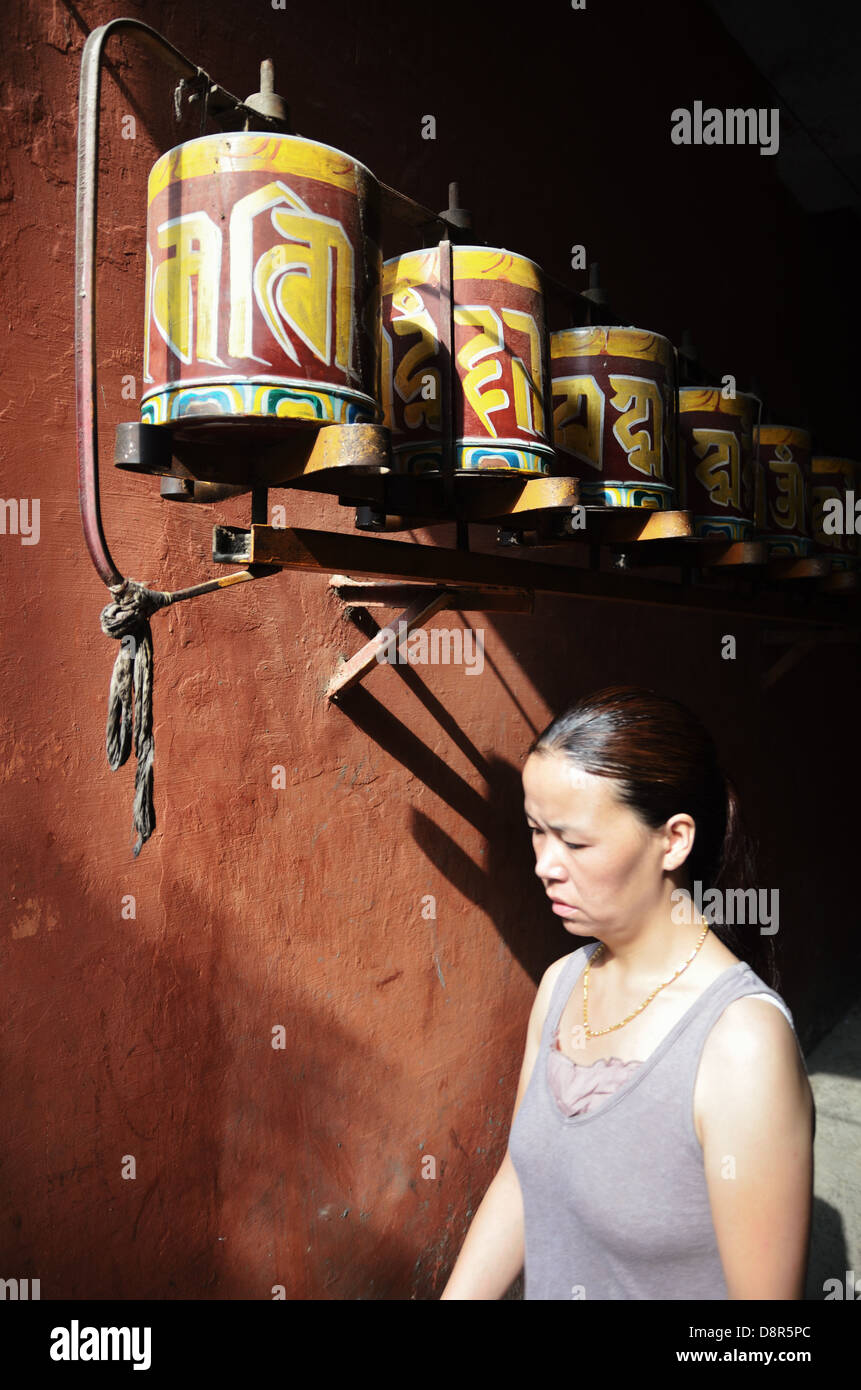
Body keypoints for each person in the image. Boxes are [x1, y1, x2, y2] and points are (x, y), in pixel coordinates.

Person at [440, 685, 815, 1300]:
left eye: (576, 841)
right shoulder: (563, 983)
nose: (544, 864)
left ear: (674, 840)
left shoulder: (741, 1044)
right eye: (536, 831)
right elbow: (523, 1180)